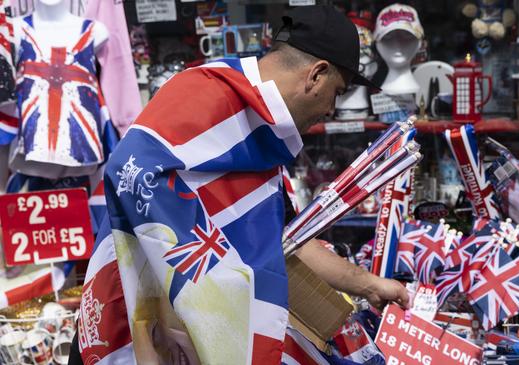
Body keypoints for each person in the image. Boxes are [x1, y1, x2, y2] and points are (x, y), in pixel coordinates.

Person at [69, 5, 408, 365]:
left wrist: (368, 284)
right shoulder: (206, 91)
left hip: (184, 335)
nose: (331, 110)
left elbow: (285, 240)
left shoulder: (261, 131)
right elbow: (130, 168)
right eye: (337, 93)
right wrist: (214, 270)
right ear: (316, 75)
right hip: (132, 320)